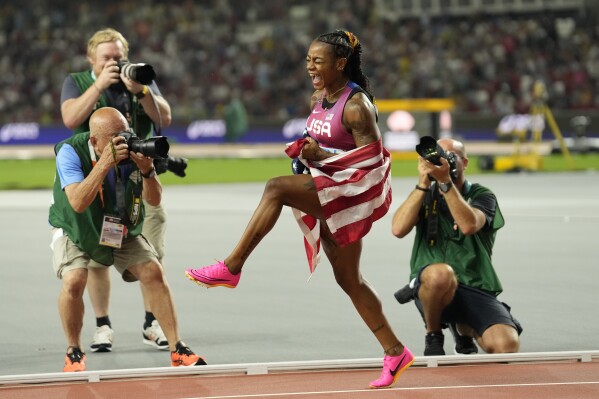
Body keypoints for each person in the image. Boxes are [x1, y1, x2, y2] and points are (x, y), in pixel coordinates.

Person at [185, 30, 413, 389]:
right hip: (327, 192)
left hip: (348, 196)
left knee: (275, 189)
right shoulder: (319, 98)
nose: (310, 66)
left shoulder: (357, 107)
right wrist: (307, 153)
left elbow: (370, 166)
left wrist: (321, 156)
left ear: (341, 63)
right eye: (308, 59)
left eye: (317, 60)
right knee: (349, 280)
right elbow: (323, 143)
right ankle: (395, 351)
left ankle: (231, 267)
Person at [49, 107, 205, 372]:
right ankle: (74, 350)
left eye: (125, 134)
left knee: (153, 272)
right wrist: (105, 164)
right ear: (94, 140)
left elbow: (154, 200)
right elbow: (77, 202)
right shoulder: (69, 151)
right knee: (75, 280)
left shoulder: (134, 151)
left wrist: (148, 172)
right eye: (114, 138)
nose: (123, 141)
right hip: (77, 227)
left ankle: (177, 347)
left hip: (118, 226)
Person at [60, 28, 186, 353]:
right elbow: (70, 117)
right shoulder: (77, 81)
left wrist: (142, 90)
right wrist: (100, 84)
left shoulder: (138, 78)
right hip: (97, 182)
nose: (114, 63)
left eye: (118, 57)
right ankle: (103, 326)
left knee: (152, 257)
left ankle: (151, 322)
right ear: (92, 59)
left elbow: (165, 119)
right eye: (106, 58)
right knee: (96, 261)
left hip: (138, 178)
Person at [391, 137, 522, 356]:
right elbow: (398, 229)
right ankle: (433, 333)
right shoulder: (425, 194)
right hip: (434, 285)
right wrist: (423, 183)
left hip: (475, 284)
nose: (443, 160)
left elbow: (469, 225)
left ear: (465, 162)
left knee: (506, 347)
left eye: (450, 156)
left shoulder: (482, 195)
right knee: (441, 274)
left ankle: (463, 327)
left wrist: (445, 184)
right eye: (438, 155)